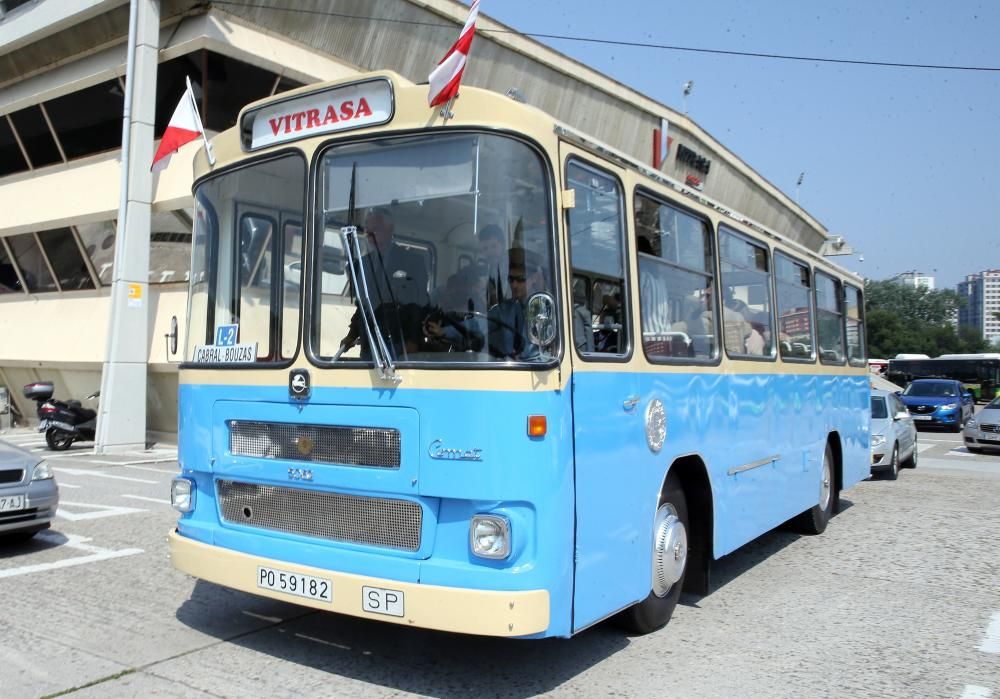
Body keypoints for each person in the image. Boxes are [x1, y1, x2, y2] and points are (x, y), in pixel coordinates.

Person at [339, 207, 430, 358]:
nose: (369, 234)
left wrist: (413, 339)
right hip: (370, 342)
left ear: (390, 230)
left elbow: (419, 302)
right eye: (368, 230)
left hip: (401, 341)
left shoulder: (412, 261)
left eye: (376, 229)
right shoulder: (362, 264)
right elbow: (364, 305)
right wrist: (351, 335)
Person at [488, 247, 545, 359]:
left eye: (521, 279)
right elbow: (479, 325)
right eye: (511, 279)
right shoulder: (505, 309)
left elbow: (540, 355)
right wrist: (447, 331)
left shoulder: (545, 308)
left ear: (534, 278)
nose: (514, 285)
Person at [423, 264, 489, 352]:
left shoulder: (477, 305)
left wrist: (443, 332)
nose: (452, 292)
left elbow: (476, 325)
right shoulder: (439, 301)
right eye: (450, 289)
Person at [477, 223, 508, 307]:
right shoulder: (491, 269)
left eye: (494, 246)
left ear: (503, 245)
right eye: (485, 249)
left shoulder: (512, 268)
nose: (489, 252)